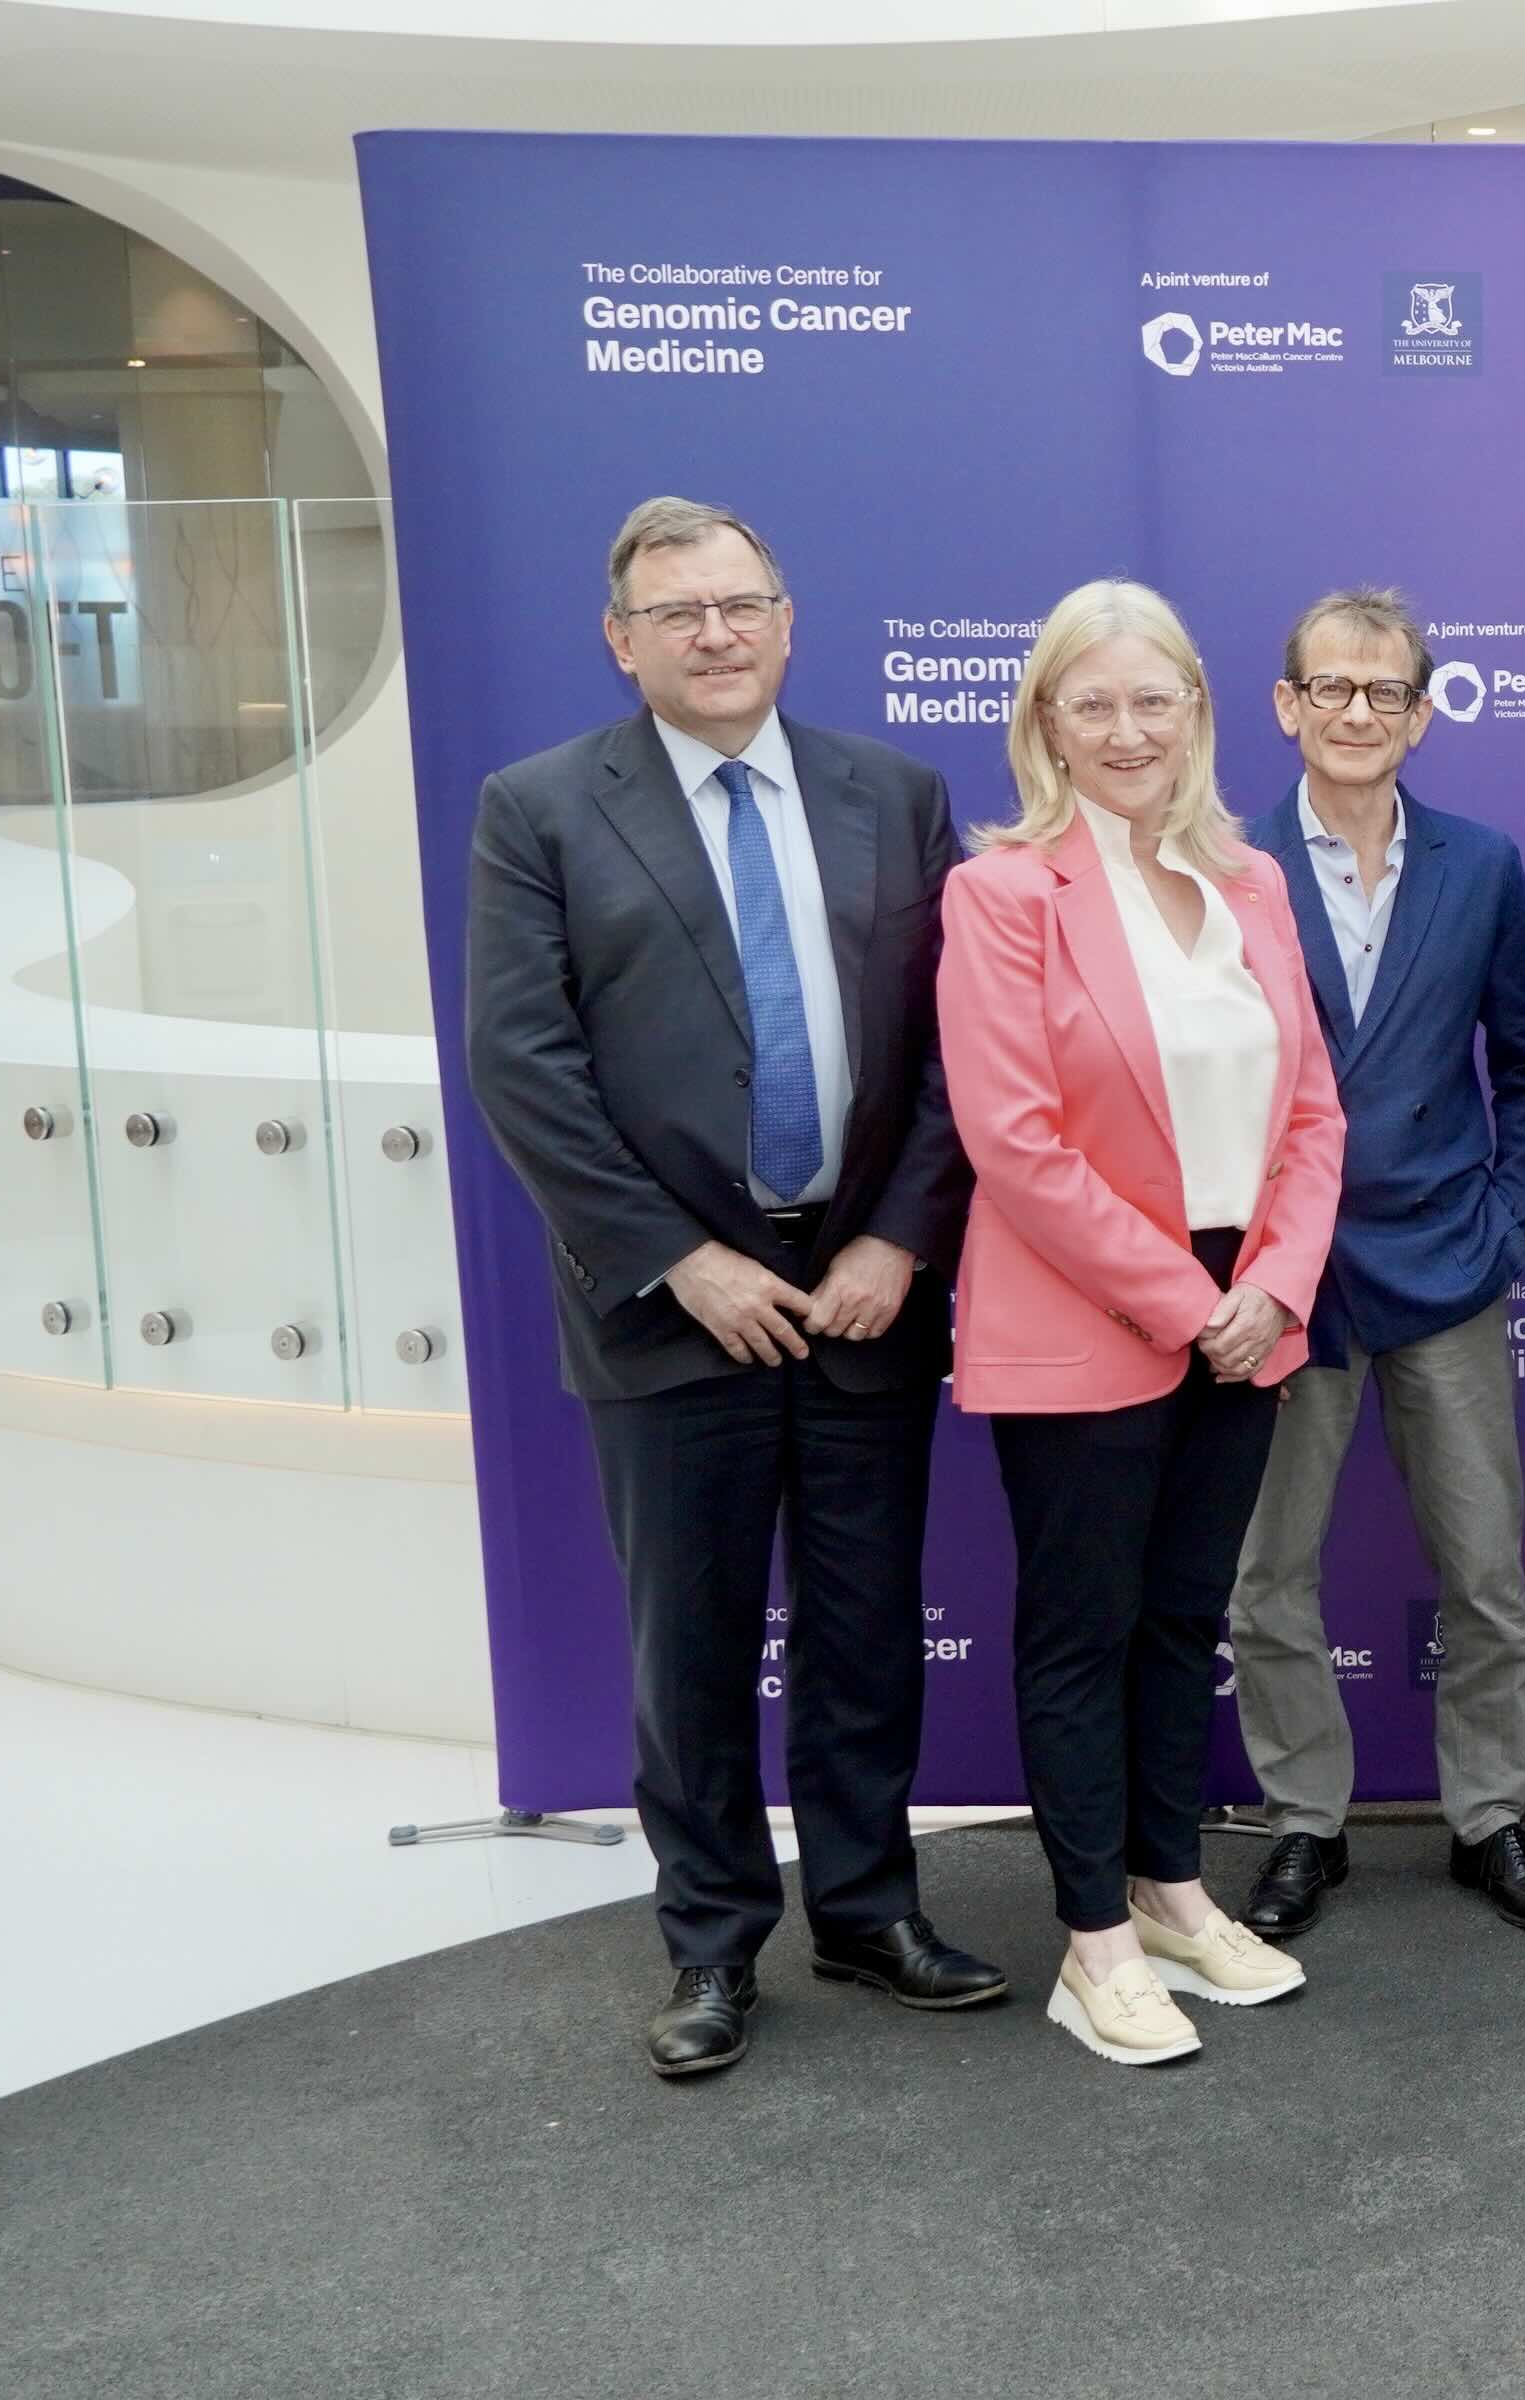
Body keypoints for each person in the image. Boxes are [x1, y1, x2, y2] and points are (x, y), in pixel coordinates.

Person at [464, 496, 1001, 2080]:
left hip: (860, 1295)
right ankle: (709, 1944)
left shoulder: (894, 795)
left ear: (786, 621)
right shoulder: (539, 808)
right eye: (678, 613)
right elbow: (522, 1064)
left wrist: (897, 1239)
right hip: (671, 1305)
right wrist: (681, 1259)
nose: (716, 634)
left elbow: (958, 1044)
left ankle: (869, 1911)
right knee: (690, 1649)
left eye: (741, 604)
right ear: (621, 641)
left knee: (865, 1631)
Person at [935, 579, 1347, 2066]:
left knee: (1182, 1619)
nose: (1126, 731)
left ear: (1196, 714)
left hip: (1249, 1308)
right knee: (1083, 1632)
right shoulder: (1002, 894)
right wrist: (1189, 1303)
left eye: (1151, 701)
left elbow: (1312, 1110)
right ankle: (1093, 1944)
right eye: (1093, 704)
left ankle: (1171, 1893)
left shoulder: (1252, 883)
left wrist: (1276, 1285)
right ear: (1045, 722)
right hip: (1092, 1314)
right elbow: (1015, 1141)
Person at [1224, 587, 1525, 1941]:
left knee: (1485, 1571)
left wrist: (1510, 1223)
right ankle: (1303, 1822)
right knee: (1269, 1575)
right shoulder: (1227, 862)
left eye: (1386, 692)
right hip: (1282, 1277)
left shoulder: (1479, 866)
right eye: (1332, 688)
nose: (1359, 713)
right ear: (1287, 705)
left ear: (1423, 715)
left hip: (1445, 1261)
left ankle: (1490, 1817)